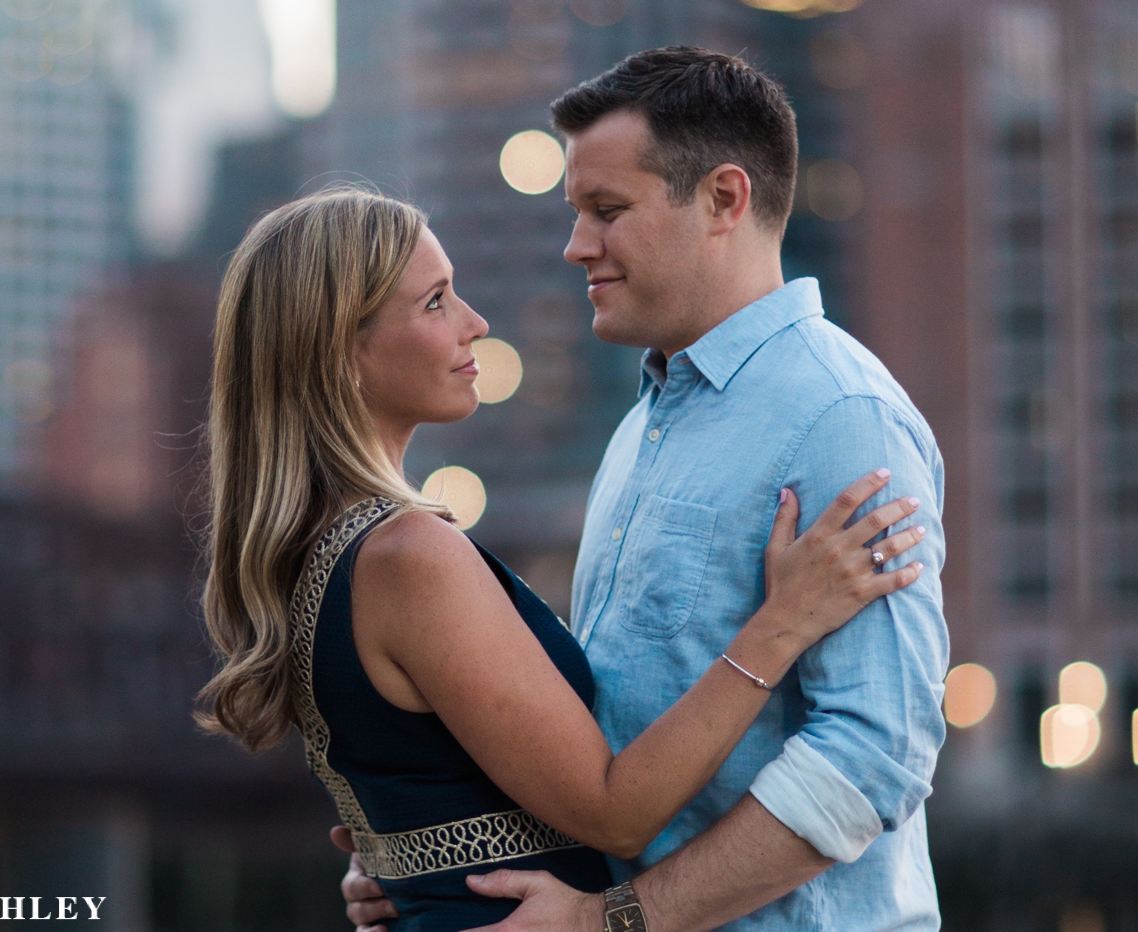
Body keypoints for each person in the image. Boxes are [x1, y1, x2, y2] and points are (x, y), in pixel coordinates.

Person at [194, 184, 927, 932]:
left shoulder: (325, 548)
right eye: (436, 302)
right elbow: (616, 812)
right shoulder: (408, 555)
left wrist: (399, 860)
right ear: (340, 354)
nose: (476, 324)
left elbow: (418, 770)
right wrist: (782, 625)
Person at [337, 48, 949, 932]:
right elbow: (605, 729)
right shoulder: (646, 424)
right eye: (577, 211)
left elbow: (874, 755)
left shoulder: (841, 419)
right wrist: (424, 857)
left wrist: (609, 921)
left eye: (607, 211)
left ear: (724, 200)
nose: (575, 244)